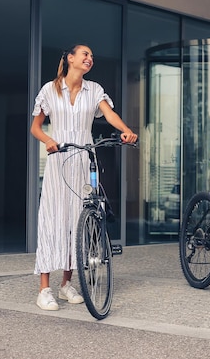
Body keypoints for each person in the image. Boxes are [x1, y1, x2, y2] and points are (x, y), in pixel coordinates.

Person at [30, 44, 138, 311]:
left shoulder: (95, 90)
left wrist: (126, 130)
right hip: (58, 162)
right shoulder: (49, 90)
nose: (90, 58)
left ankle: (66, 284)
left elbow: (109, 113)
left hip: (83, 161)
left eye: (92, 55)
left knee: (77, 223)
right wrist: (49, 140)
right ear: (70, 59)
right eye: (85, 54)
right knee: (52, 220)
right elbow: (35, 127)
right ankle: (44, 289)